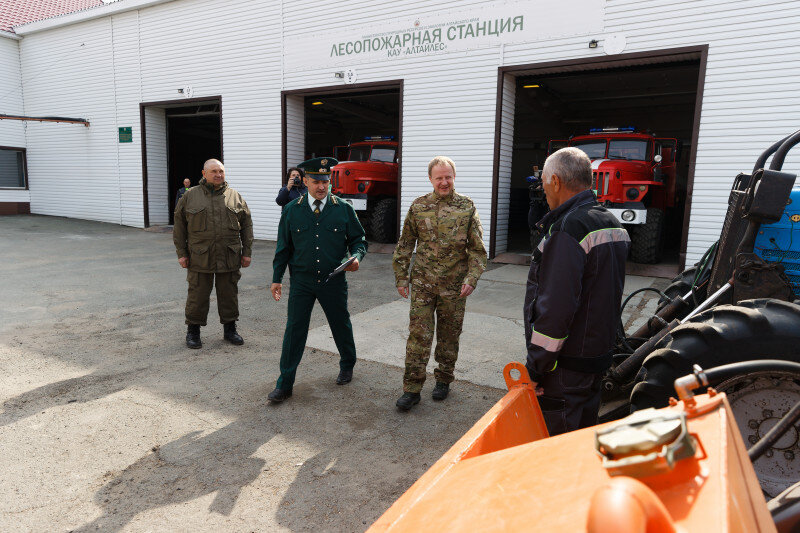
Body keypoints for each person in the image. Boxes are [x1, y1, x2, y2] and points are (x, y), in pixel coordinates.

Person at [524, 147, 630, 436]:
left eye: (543, 181)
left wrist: (535, 368)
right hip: (596, 359)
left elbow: (556, 310)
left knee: (558, 448)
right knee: (583, 440)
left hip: (565, 369)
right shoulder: (611, 222)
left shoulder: (568, 228)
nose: (543, 189)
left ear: (555, 181)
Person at [267, 160, 367, 403]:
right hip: (302, 281)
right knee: (294, 330)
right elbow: (283, 249)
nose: (321, 187)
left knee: (340, 323)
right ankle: (285, 383)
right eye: (316, 182)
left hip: (333, 279)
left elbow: (359, 240)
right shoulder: (292, 210)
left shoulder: (343, 209)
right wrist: (276, 278)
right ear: (306, 182)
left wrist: (355, 257)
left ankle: (347, 364)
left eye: (325, 182)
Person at [392, 156, 487, 411]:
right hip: (423, 284)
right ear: (431, 179)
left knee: (448, 336)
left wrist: (471, 278)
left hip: (454, 287)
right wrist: (402, 277)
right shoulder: (418, 206)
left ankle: (443, 380)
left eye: (448, 177)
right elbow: (405, 245)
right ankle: (411, 389)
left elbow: (478, 251)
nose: (444, 182)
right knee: (418, 336)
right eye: (439, 178)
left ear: (453, 177)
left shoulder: (466, 207)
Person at [173, 159, 253, 349]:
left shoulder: (235, 197)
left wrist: (247, 252)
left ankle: (230, 330)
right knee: (197, 295)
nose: (218, 174)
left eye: (221, 171)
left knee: (229, 294)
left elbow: (247, 225)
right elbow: (179, 227)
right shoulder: (190, 196)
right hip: (200, 256)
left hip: (229, 255)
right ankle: (193, 332)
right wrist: (181, 253)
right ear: (204, 173)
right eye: (214, 171)